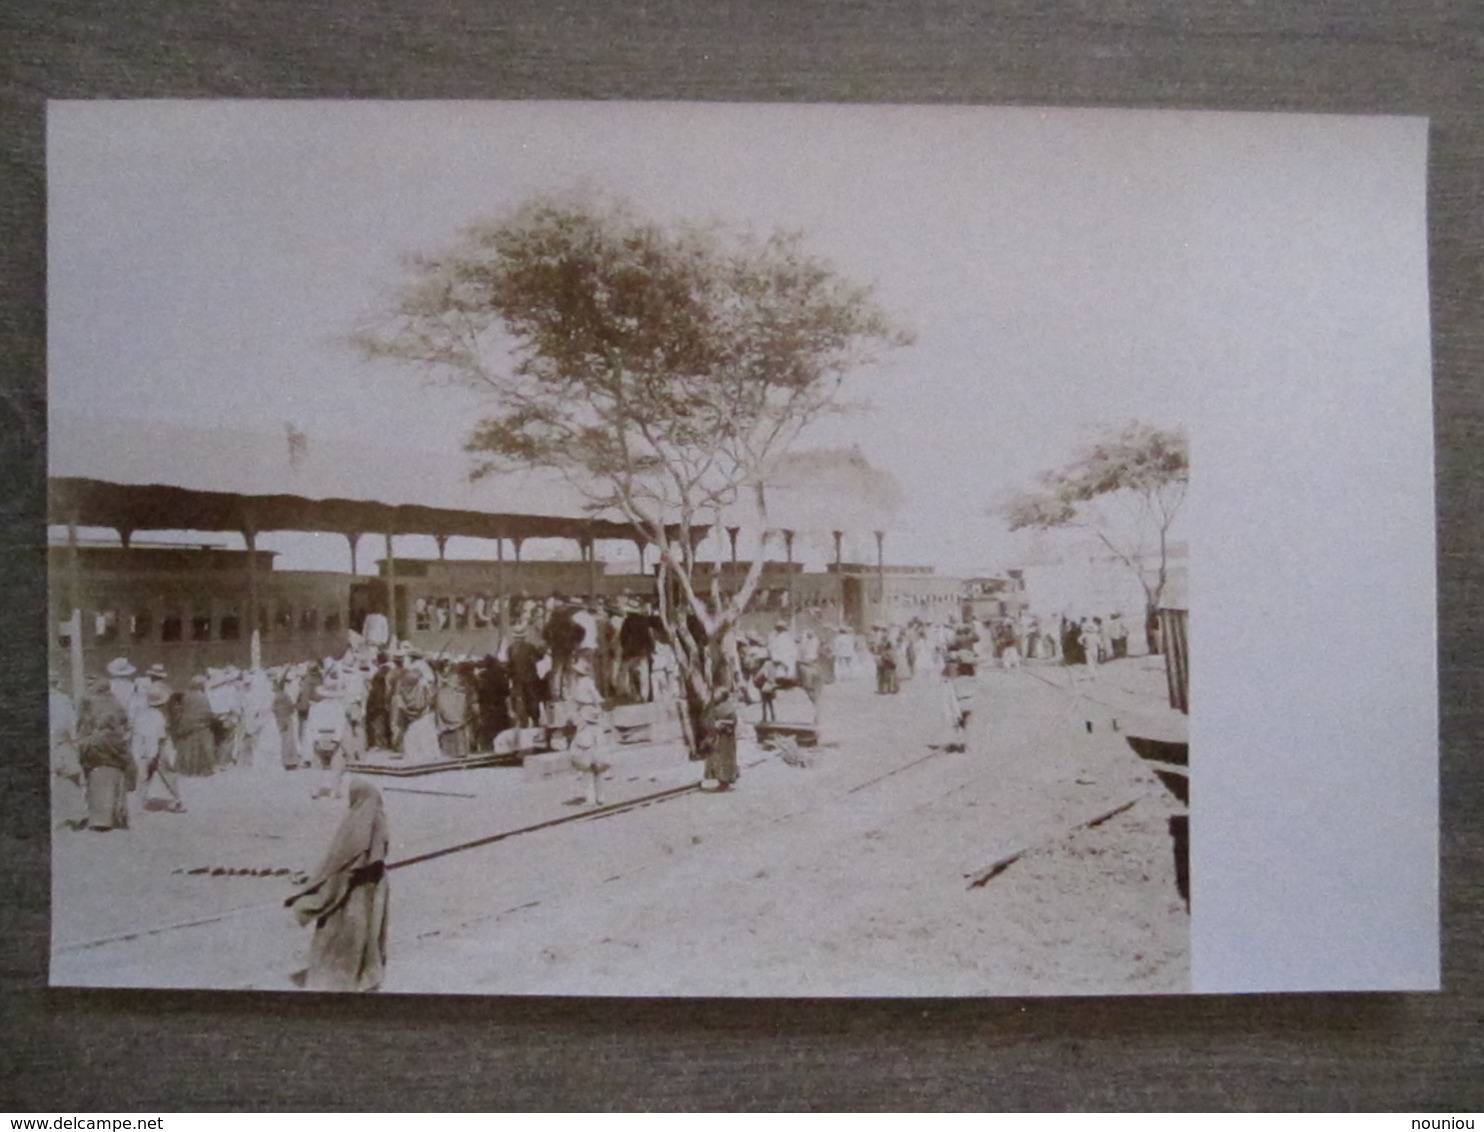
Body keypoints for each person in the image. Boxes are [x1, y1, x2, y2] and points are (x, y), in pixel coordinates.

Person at [286, 778, 390, 993]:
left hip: (353, 892)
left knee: (342, 937)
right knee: (367, 936)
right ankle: (366, 975)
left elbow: (346, 860)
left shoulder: (357, 821)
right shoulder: (377, 816)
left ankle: (338, 979)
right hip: (373, 888)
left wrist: (321, 892)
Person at [76, 676, 134, 831]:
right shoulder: (115, 703)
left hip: (95, 745)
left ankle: (98, 818)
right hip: (115, 744)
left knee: (95, 780)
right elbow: (126, 723)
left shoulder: (88, 702)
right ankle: (117, 816)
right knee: (116, 779)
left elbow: (82, 724)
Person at [566, 656, 611, 806]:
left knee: (586, 761)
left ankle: (592, 796)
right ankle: (600, 796)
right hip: (592, 725)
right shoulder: (587, 683)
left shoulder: (582, 685)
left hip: (586, 724)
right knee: (596, 762)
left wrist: (579, 717)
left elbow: (589, 702)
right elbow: (599, 701)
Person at [134, 682, 186, 812]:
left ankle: (140, 802)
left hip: (144, 748)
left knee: (144, 776)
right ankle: (177, 799)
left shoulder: (141, 715)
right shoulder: (159, 717)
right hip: (158, 747)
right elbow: (161, 736)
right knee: (168, 774)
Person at [304, 678, 349, 800]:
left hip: (319, 735)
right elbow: (341, 724)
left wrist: (315, 739)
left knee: (317, 765)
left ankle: (315, 790)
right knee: (337, 765)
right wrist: (337, 739)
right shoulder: (339, 707)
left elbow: (311, 725)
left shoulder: (316, 707)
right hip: (333, 735)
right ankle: (335, 790)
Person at [49, 673, 83, 829]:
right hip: (63, 743)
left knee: (55, 779)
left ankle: (57, 817)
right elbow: (72, 725)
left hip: (53, 742)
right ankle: (75, 814)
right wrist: (75, 743)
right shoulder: (63, 700)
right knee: (70, 778)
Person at [702, 688, 739, 792]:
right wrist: (713, 725)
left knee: (726, 760)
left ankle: (726, 783)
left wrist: (723, 726)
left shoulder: (729, 708)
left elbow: (733, 722)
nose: (714, 695)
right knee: (716, 760)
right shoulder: (712, 707)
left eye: (717, 693)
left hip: (726, 740)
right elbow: (706, 721)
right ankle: (720, 781)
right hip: (715, 738)